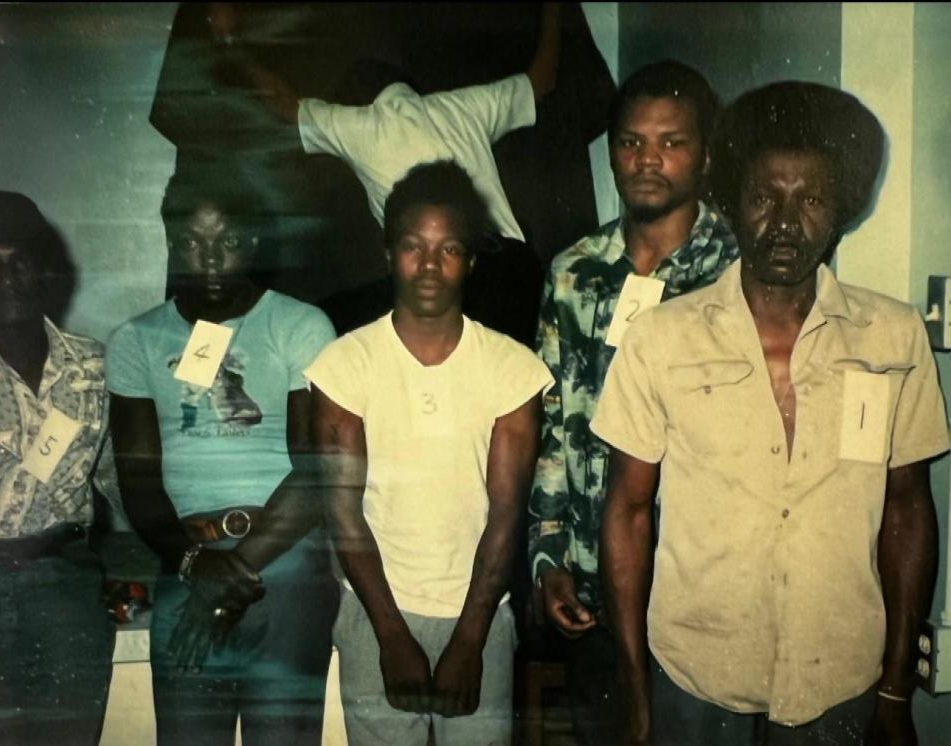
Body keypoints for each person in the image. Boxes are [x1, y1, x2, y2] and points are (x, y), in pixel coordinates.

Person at [593, 81, 950, 745]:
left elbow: (907, 509)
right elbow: (627, 512)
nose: (785, 223)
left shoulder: (893, 337)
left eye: (810, 199)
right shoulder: (662, 337)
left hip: (837, 678)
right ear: (732, 206)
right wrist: (636, 686)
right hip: (695, 676)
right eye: (764, 197)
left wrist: (896, 688)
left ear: (839, 208)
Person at [526, 59, 738, 743]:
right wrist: (547, 555)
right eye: (631, 142)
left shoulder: (740, 270)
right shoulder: (571, 271)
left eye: (672, 142)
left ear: (705, 155)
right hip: (593, 587)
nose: (648, 160)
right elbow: (552, 427)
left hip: (705, 591)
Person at [304, 160, 552, 745]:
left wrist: (470, 640)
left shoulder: (511, 368)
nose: (430, 266)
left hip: (480, 612)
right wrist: (390, 636)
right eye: (414, 246)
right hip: (375, 609)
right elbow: (343, 514)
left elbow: (505, 515)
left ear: (470, 258)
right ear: (390, 252)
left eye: (449, 249)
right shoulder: (346, 363)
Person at [106, 169, 339, 745]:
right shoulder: (135, 341)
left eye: (228, 242)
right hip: (188, 562)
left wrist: (231, 574)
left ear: (254, 241)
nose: (209, 260)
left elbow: (315, 473)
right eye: (190, 242)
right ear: (168, 241)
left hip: (283, 564)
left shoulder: (300, 325)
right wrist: (195, 568)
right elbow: (139, 482)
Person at [241, 2, 567, 343]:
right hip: (518, 273)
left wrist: (229, 42)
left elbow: (282, 103)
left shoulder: (363, 123)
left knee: (328, 321)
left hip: (461, 288)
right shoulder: (464, 106)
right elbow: (541, 80)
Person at [0, 192, 115, 745]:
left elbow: (121, 480)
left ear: (47, 270)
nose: (7, 277)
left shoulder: (93, 366)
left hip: (67, 593)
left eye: (20, 261)